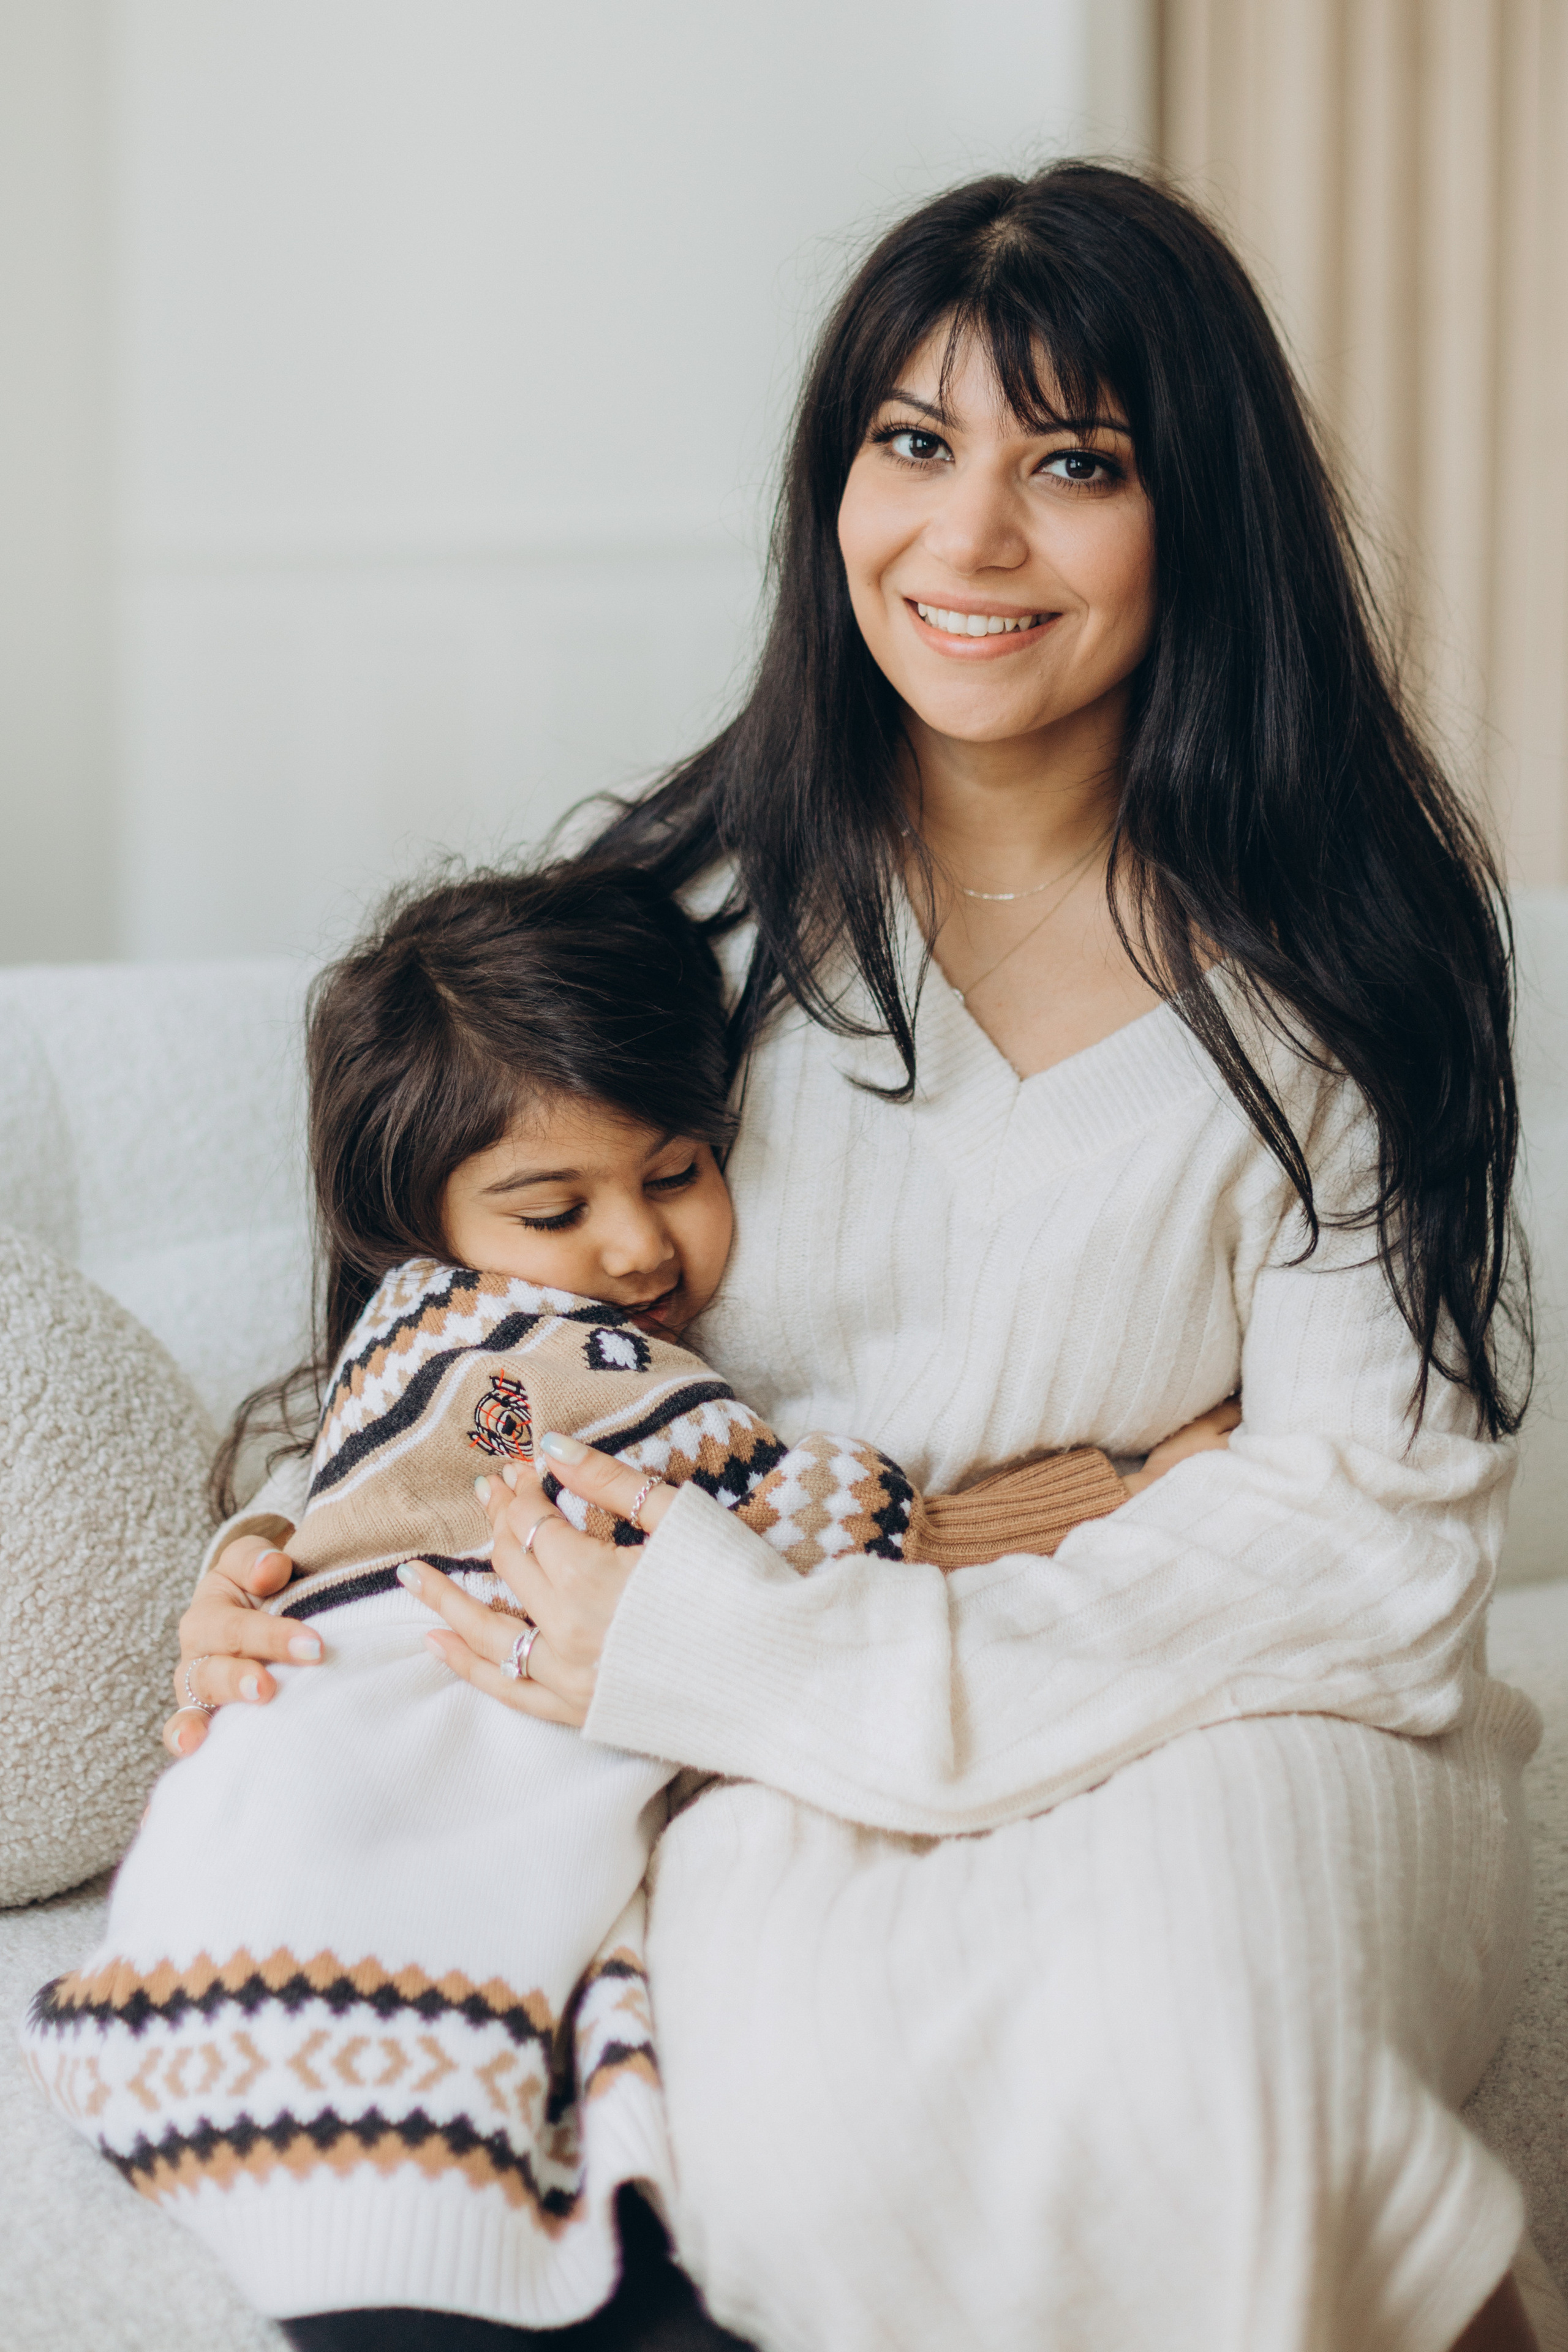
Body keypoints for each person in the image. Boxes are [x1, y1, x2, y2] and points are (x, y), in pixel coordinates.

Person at [164, 162, 1542, 2352]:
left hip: (1235, 1705)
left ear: (1201, 520)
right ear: (836, 494)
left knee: (1220, 2072)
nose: (970, 539)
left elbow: (1363, 1551)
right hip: (742, 1723)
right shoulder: (675, 927)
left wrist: (817, 1648)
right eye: (914, 446)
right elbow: (485, 1338)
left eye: (1072, 464)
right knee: (814, 2124)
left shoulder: (1354, 972)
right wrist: (282, 1549)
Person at [26, 863, 1229, 2345]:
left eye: (675, 1173)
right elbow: (760, 1513)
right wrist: (1115, 1482)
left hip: (282, 1849)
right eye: (555, 1207)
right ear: (421, 1220)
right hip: (347, 1793)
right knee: (408, 2184)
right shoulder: (531, 1369)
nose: (634, 1249)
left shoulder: (448, 1351)